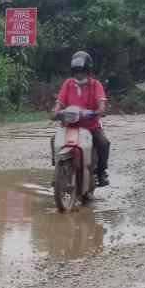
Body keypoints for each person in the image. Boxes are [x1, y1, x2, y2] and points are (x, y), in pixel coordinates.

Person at [53, 51, 110, 187]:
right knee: (53, 141)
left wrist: (98, 112)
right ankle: (58, 170)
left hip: (91, 126)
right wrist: (55, 112)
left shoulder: (96, 85)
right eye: (76, 71)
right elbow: (59, 103)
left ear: (88, 71)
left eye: (82, 71)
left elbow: (102, 105)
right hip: (69, 125)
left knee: (103, 143)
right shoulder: (68, 83)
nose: (79, 74)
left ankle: (101, 173)